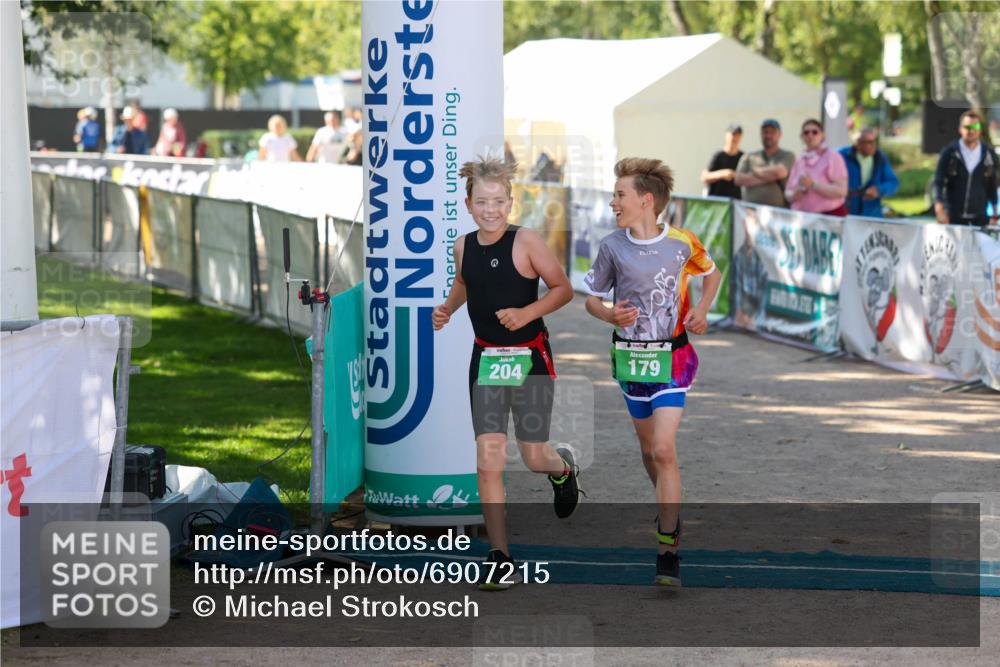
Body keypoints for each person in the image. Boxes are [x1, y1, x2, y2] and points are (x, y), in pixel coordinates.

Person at [432, 156, 579, 591]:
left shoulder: (527, 241)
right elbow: (465, 283)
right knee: (488, 458)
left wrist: (526, 313)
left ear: (511, 203)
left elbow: (563, 289)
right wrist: (447, 308)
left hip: (530, 358)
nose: (490, 210)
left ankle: (562, 469)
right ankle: (500, 557)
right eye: (482, 202)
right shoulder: (462, 245)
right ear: (468, 204)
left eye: (498, 201)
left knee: (533, 456)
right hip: (486, 360)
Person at [583, 157, 721, 587]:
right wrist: (609, 315)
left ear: (646, 201)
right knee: (649, 452)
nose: (613, 203)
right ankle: (668, 505)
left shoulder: (681, 243)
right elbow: (591, 299)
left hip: (673, 358)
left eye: (620, 195)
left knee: (663, 449)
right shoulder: (612, 246)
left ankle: (667, 547)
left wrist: (701, 310)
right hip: (630, 360)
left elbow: (712, 274)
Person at [932, 109, 998, 227]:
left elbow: (992, 185)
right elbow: (938, 182)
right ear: (960, 129)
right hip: (952, 217)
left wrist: (994, 213)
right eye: (967, 127)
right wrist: (939, 209)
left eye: (975, 126)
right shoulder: (950, 152)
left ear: (980, 130)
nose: (971, 130)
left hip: (980, 218)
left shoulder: (989, 154)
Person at [785, 118, 849, 216]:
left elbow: (842, 191)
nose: (810, 135)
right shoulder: (799, 160)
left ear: (822, 135)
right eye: (806, 132)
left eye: (815, 132)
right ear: (801, 136)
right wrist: (794, 195)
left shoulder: (832, 156)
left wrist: (813, 185)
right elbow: (787, 192)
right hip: (803, 218)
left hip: (828, 216)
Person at [733, 119, 796, 207]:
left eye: (772, 132)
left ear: (780, 135)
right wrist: (771, 176)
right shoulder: (749, 156)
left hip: (778, 211)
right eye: (765, 132)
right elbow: (738, 179)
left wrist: (755, 171)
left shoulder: (788, 155)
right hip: (750, 211)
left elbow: (780, 172)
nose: (768, 135)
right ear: (761, 134)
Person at [840, 128, 899, 218]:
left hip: (872, 214)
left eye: (875, 141)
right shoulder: (842, 156)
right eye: (869, 142)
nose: (873, 145)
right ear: (858, 143)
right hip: (848, 213)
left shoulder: (880, 157)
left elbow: (893, 182)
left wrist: (879, 190)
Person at [701, 124, 744, 199]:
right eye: (733, 134)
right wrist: (722, 174)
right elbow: (704, 177)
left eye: (737, 135)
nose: (735, 138)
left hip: (736, 201)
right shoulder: (719, 156)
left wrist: (736, 176)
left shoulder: (743, 157)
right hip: (717, 201)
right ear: (726, 135)